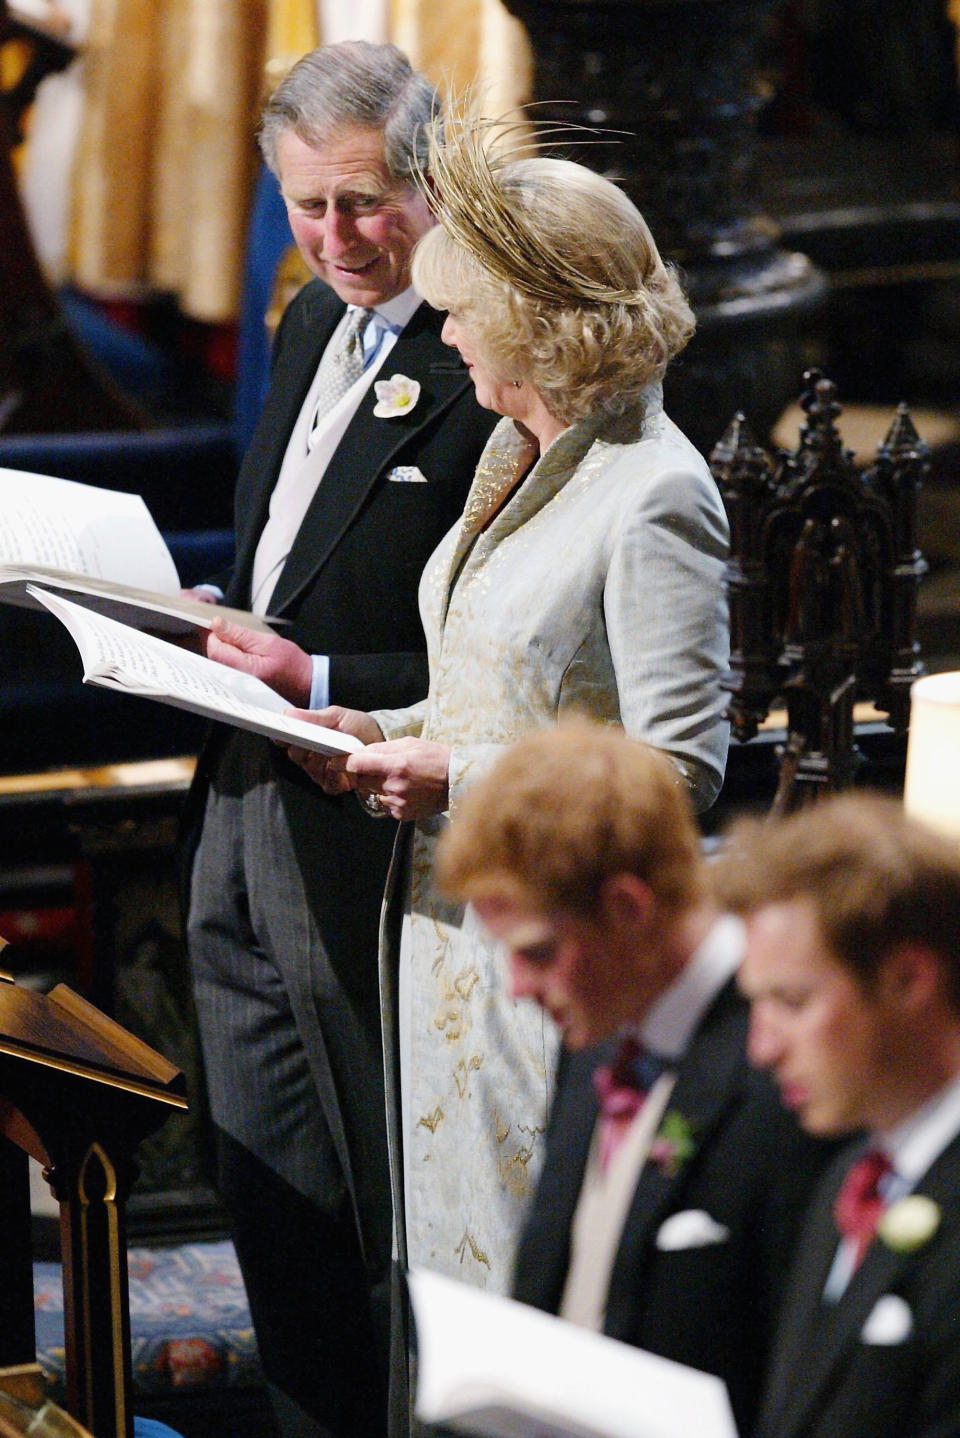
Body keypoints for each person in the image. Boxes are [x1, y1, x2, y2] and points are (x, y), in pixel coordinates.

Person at [287, 116, 732, 1296]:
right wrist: (387, 730)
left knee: (525, 1294)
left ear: (540, 325)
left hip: (551, 959)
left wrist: (457, 778)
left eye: (462, 308)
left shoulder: (655, 493)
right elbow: (500, 683)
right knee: (442, 1286)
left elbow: (678, 772)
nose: (441, 330)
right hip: (445, 936)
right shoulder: (516, 448)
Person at [181, 42, 497, 1438]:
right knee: (269, 1178)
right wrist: (209, 619)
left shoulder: (487, 349)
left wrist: (320, 669)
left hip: (375, 821)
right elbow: (289, 560)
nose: (336, 238)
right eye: (306, 207)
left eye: (363, 203)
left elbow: (505, 642)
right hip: (243, 789)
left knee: (380, 1199)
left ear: (428, 177)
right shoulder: (308, 318)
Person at [434, 721, 833, 1436]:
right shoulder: (599, 1022)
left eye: (539, 951)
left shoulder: (786, 1071)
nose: (518, 988)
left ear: (626, 907)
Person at [715, 793, 960, 1438]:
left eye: (792, 1002)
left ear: (907, 979)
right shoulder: (847, 1177)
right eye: (755, 1006)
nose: (761, 1049)